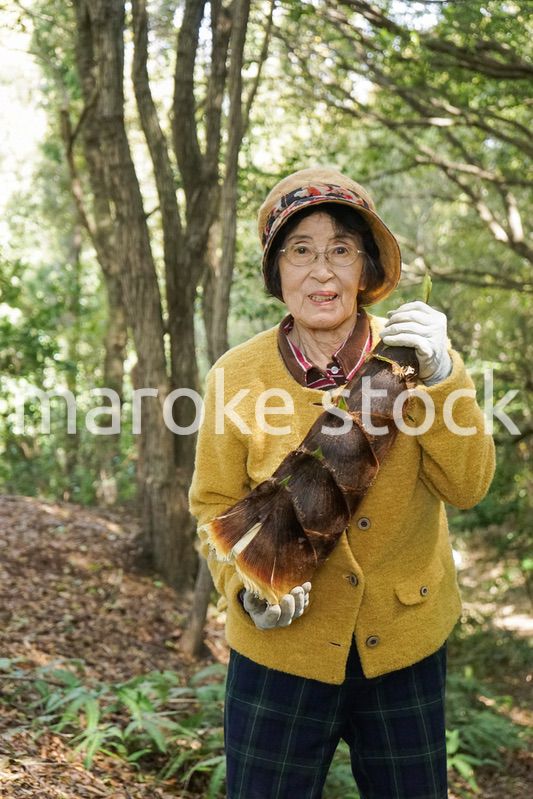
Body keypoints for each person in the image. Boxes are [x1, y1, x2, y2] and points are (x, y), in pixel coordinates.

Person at [189, 166, 495, 799]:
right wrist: (244, 588)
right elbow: (213, 508)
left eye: (340, 250)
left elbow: (468, 486)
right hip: (281, 655)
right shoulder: (233, 377)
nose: (321, 272)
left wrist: (443, 380)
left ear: (366, 269)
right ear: (277, 274)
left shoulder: (418, 359)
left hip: (403, 646)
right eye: (300, 251)